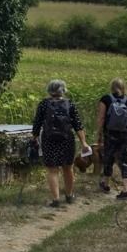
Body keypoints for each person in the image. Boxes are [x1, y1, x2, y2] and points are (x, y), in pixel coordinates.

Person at [31, 78, 85, 208]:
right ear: (63, 90)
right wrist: (84, 142)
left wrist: (34, 138)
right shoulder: (70, 104)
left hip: (49, 139)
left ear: (49, 90)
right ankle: (69, 195)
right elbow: (77, 125)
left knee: (52, 170)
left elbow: (37, 123)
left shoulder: (44, 104)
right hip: (67, 139)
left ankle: (55, 199)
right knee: (68, 168)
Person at [96, 77, 127, 200]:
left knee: (108, 157)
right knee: (124, 160)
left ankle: (105, 184)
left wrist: (99, 134)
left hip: (110, 134)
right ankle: (126, 190)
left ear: (112, 87)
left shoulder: (106, 99)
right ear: (125, 87)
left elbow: (101, 119)